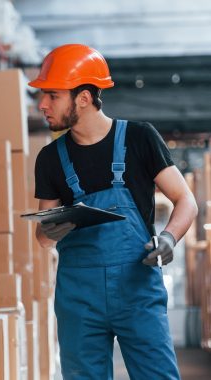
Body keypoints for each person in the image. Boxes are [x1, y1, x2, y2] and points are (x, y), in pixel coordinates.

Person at [29, 44, 198, 380]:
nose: (42, 104)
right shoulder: (50, 159)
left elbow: (186, 201)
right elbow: (42, 237)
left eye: (52, 95)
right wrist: (53, 228)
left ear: (84, 98)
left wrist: (167, 238)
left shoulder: (139, 139)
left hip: (137, 288)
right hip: (79, 297)